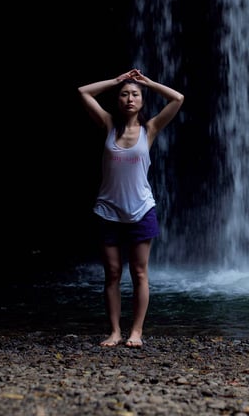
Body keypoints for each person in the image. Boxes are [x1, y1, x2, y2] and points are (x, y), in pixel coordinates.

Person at [78, 68, 184, 348]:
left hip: (141, 210)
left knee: (139, 272)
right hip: (108, 210)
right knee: (112, 273)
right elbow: (83, 92)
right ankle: (114, 331)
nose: (129, 98)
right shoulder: (108, 124)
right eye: (124, 94)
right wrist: (115, 80)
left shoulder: (150, 129)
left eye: (135, 94)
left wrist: (148, 82)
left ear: (142, 101)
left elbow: (178, 98)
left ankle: (136, 331)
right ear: (118, 100)